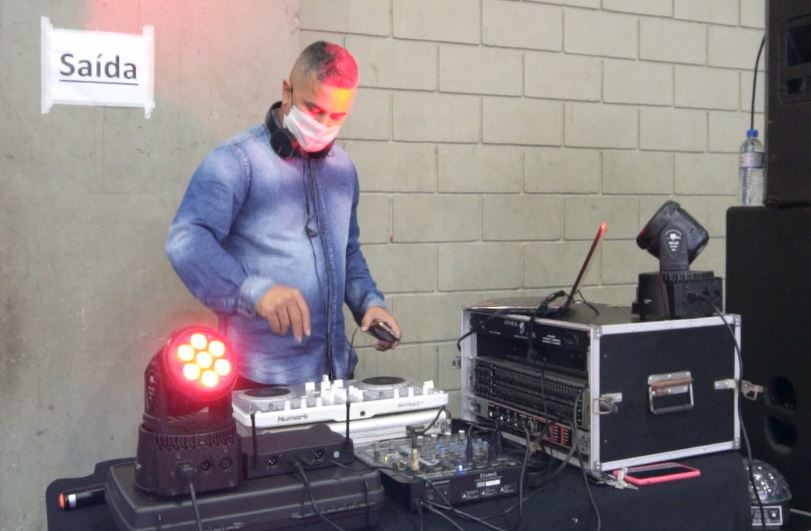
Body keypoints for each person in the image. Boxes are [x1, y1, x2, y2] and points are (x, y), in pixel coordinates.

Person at [165, 41, 400, 387]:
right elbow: (186, 240)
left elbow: (348, 251)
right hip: (260, 380)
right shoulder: (236, 161)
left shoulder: (343, 169)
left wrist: (369, 303)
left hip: (336, 375)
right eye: (314, 109)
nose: (323, 125)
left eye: (336, 117)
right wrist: (254, 291)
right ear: (287, 92)